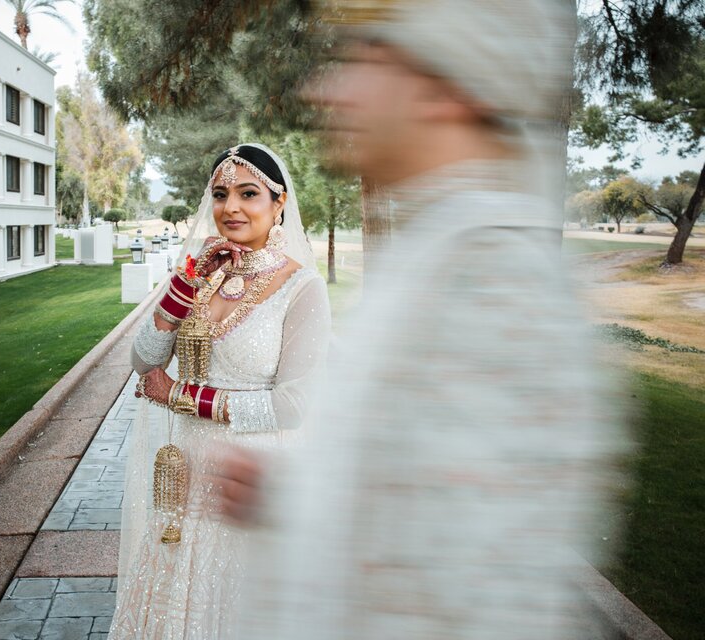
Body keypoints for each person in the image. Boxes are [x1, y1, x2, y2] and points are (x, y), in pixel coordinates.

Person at [218, 2, 626, 639]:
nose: (327, 89)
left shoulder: (496, 278)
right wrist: (291, 494)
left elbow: (477, 593)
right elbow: (419, 506)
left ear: (445, 89)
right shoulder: (445, 246)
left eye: (365, 57)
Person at [109, 143, 331, 639]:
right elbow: (143, 362)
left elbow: (293, 406)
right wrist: (186, 282)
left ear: (279, 203)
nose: (231, 207)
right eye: (220, 194)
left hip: (248, 473)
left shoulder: (304, 289)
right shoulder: (202, 277)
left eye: (248, 193)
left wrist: (181, 397)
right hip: (185, 471)